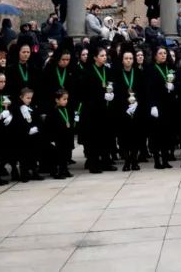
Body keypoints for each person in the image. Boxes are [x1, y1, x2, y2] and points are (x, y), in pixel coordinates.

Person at [80, 43, 116, 173]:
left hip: (106, 109)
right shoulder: (88, 71)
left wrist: (111, 93)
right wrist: (102, 95)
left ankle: (106, 161)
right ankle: (94, 163)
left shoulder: (107, 70)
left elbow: (111, 84)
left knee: (106, 137)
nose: (104, 58)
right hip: (92, 109)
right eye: (102, 56)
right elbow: (86, 91)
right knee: (94, 138)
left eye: (105, 55)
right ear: (95, 57)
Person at [146, 43, 177, 169]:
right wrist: (152, 105)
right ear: (155, 56)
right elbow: (148, 89)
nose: (163, 55)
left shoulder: (169, 68)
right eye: (160, 53)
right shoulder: (151, 69)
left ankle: (165, 158)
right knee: (156, 134)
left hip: (168, 104)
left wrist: (173, 87)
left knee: (166, 133)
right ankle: (157, 160)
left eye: (165, 53)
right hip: (156, 105)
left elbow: (175, 83)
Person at [112, 46, 142, 171]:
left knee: (136, 136)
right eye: (126, 58)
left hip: (136, 109)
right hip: (122, 109)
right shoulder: (117, 74)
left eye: (130, 58)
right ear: (122, 60)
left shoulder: (139, 73)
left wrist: (136, 103)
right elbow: (116, 92)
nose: (128, 60)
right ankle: (127, 160)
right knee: (124, 137)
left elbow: (142, 90)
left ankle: (134, 159)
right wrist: (124, 105)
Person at [10, 87, 43, 182]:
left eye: (30, 98)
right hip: (22, 136)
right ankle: (24, 173)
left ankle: (35, 172)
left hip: (32, 135)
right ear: (21, 97)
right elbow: (17, 122)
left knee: (33, 155)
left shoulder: (31, 107)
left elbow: (37, 118)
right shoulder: (17, 109)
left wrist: (36, 127)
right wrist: (26, 130)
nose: (29, 100)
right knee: (23, 156)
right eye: (27, 98)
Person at [44, 88, 74, 179]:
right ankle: (56, 171)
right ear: (57, 100)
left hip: (66, 135)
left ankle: (64, 169)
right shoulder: (53, 111)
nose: (66, 101)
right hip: (57, 136)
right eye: (64, 99)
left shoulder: (66, 109)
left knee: (66, 153)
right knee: (58, 155)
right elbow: (49, 126)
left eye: (67, 99)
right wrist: (51, 138)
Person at [7, 40, 39, 106]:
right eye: (24, 52)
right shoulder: (11, 68)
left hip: (31, 100)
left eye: (28, 52)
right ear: (18, 52)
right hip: (16, 99)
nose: (26, 54)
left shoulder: (33, 68)